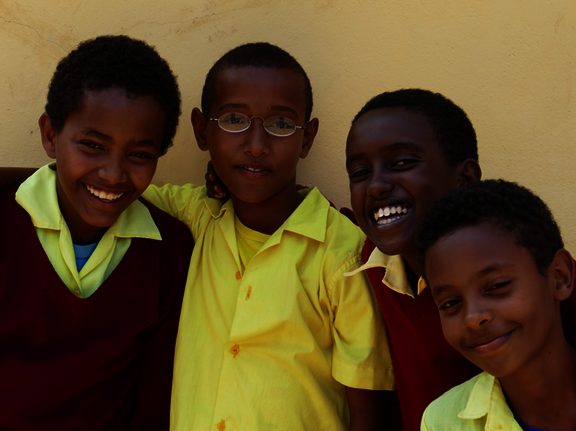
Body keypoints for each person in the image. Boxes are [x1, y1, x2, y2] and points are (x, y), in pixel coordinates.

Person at [142, 42, 394, 431]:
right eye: (233, 119)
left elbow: (369, 412)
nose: (256, 145)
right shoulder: (196, 217)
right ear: (201, 130)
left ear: (307, 138)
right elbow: (97, 183)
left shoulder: (344, 255)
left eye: (280, 125)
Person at [0, 35, 192, 430]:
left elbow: (153, 404)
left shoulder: (168, 254)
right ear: (51, 136)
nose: (113, 173)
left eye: (139, 154)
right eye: (92, 145)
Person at [344, 89, 483, 431]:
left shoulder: (522, 267)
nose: (376, 186)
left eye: (402, 163)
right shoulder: (374, 264)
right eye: (360, 172)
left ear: (463, 179)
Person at [417, 179, 576, 431]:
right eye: (450, 303)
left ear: (559, 276)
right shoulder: (442, 422)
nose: (472, 317)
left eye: (496, 286)